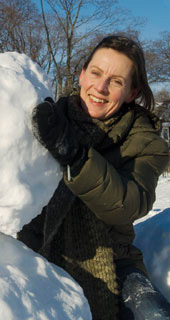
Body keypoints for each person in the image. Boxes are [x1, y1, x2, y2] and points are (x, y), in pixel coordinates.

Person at [17, 34, 170, 319]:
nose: (100, 87)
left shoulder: (148, 143)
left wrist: (75, 155)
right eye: (96, 73)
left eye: (116, 81)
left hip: (114, 260)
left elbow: (128, 204)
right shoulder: (45, 116)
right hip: (36, 253)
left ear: (132, 92)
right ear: (82, 74)